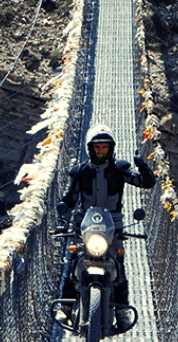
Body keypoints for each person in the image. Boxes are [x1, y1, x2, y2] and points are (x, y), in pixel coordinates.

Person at [56, 124, 156, 331]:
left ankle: (122, 312)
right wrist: (63, 213)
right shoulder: (80, 172)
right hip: (85, 225)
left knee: (118, 267)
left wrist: (142, 166)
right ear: (90, 149)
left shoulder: (120, 169)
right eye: (98, 147)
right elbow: (70, 198)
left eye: (105, 147)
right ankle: (64, 308)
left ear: (111, 148)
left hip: (113, 226)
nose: (101, 151)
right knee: (74, 262)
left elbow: (146, 183)